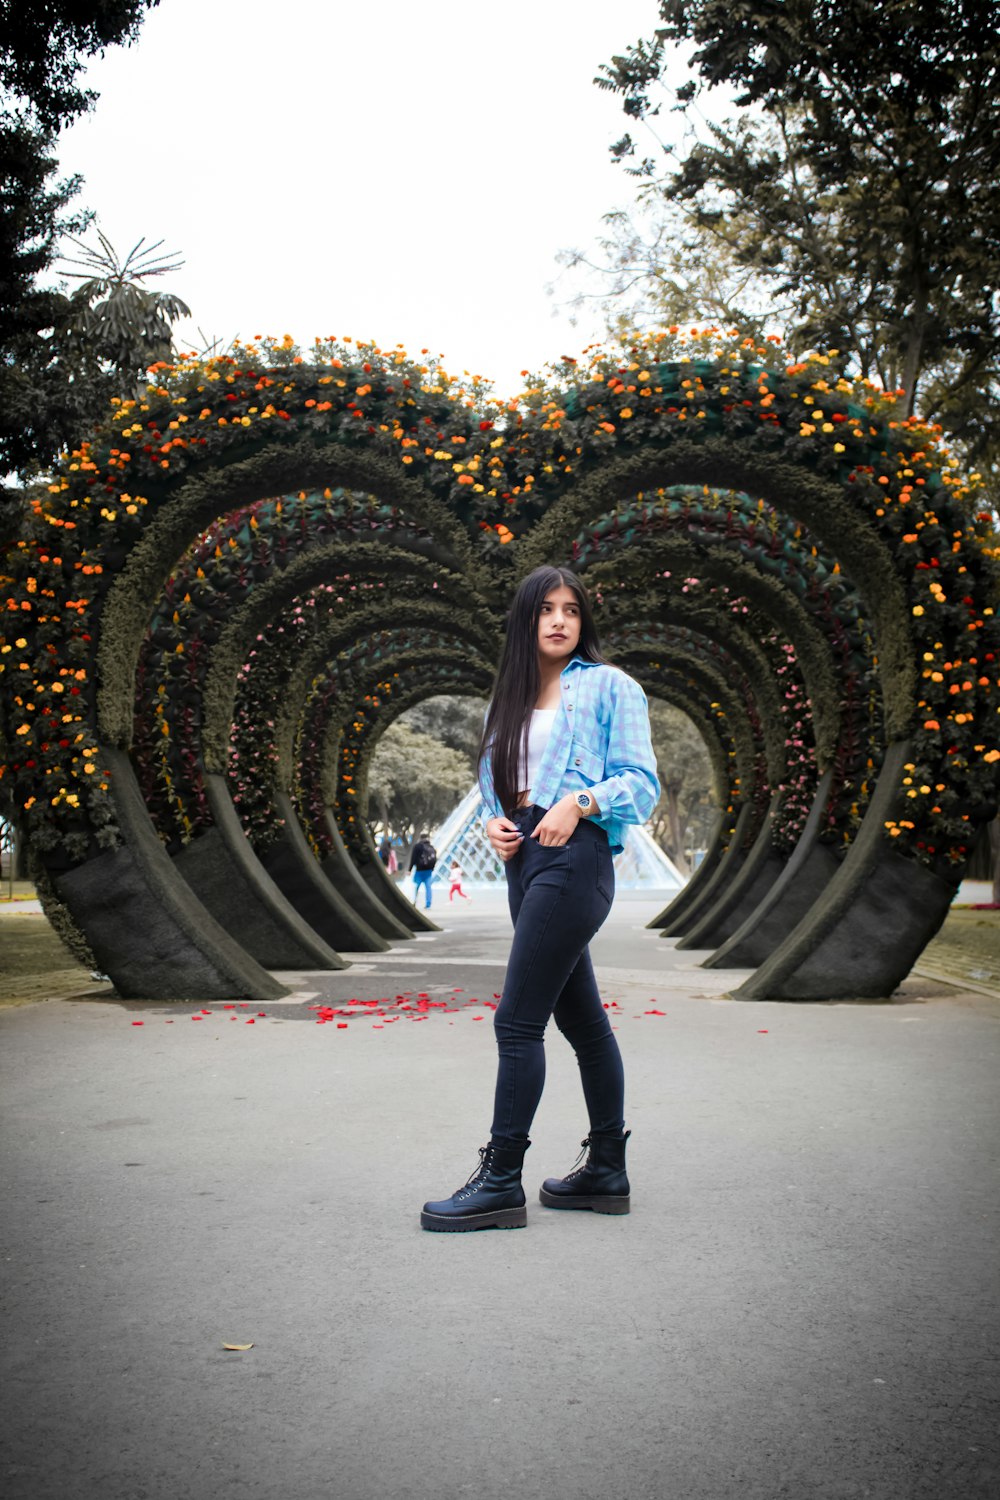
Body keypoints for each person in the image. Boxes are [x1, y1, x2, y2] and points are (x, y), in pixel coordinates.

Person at [420, 565, 659, 1232]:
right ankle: (606, 1168)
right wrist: (499, 822)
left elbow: (640, 784)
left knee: (517, 1021)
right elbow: (503, 781)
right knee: (583, 1023)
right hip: (526, 859)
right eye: (546, 610)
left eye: (571, 610)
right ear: (526, 621)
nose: (559, 620)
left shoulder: (611, 687)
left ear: (584, 622)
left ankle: (501, 1182)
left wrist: (580, 802)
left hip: (574, 857)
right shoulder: (512, 696)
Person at [409, 830, 437, 909]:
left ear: (420, 838)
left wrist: (409, 869)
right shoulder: (431, 847)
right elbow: (434, 859)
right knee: (428, 887)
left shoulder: (417, 846)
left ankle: (413, 901)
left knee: (415, 886)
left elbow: (413, 858)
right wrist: (432, 868)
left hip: (419, 870)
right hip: (428, 871)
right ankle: (428, 904)